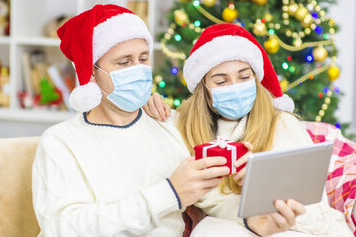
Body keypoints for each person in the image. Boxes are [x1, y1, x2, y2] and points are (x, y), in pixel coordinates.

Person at [32, 5, 232, 237]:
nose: (138, 71)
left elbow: (212, 198)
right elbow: (64, 228)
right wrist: (170, 193)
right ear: (91, 73)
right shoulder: (61, 141)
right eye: (124, 63)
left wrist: (255, 216)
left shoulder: (168, 121)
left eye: (143, 58)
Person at [144, 23, 353, 236]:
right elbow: (208, 200)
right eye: (221, 81)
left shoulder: (282, 124)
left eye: (244, 77)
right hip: (240, 227)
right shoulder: (187, 130)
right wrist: (146, 105)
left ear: (255, 79)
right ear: (204, 90)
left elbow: (316, 217)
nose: (234, 86)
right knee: (209, 229)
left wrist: (267, 189)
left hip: (298, 229)